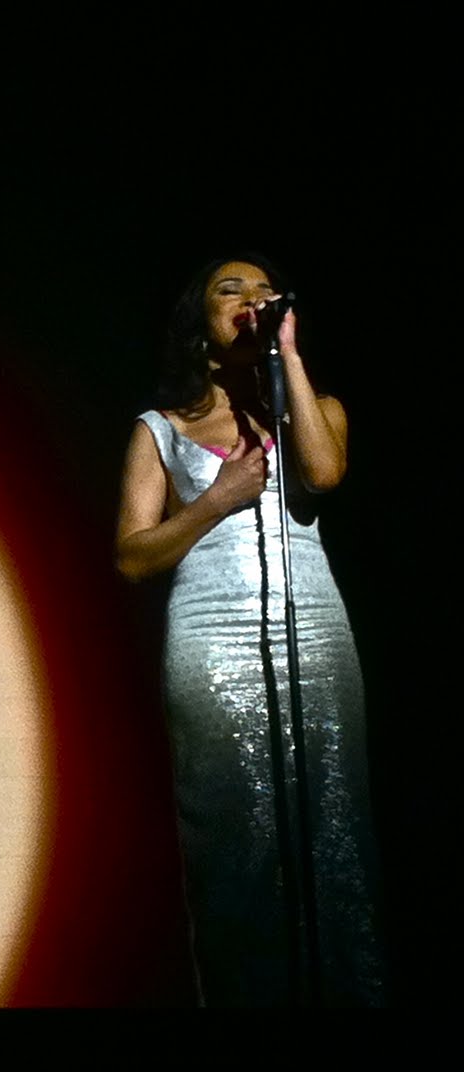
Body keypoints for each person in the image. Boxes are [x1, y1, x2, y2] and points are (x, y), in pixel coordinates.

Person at [114, 254, 385, 1006]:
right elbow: (132, 556)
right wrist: (217, 499)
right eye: (229, 288)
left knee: (331, 825)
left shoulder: (316, 408)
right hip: (210, 642)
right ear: (199, 323)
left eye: (265, 289)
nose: (252, 297)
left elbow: (323, 475)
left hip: (315, 635)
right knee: (238, 835)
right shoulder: (161, 430)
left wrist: (286, 355)